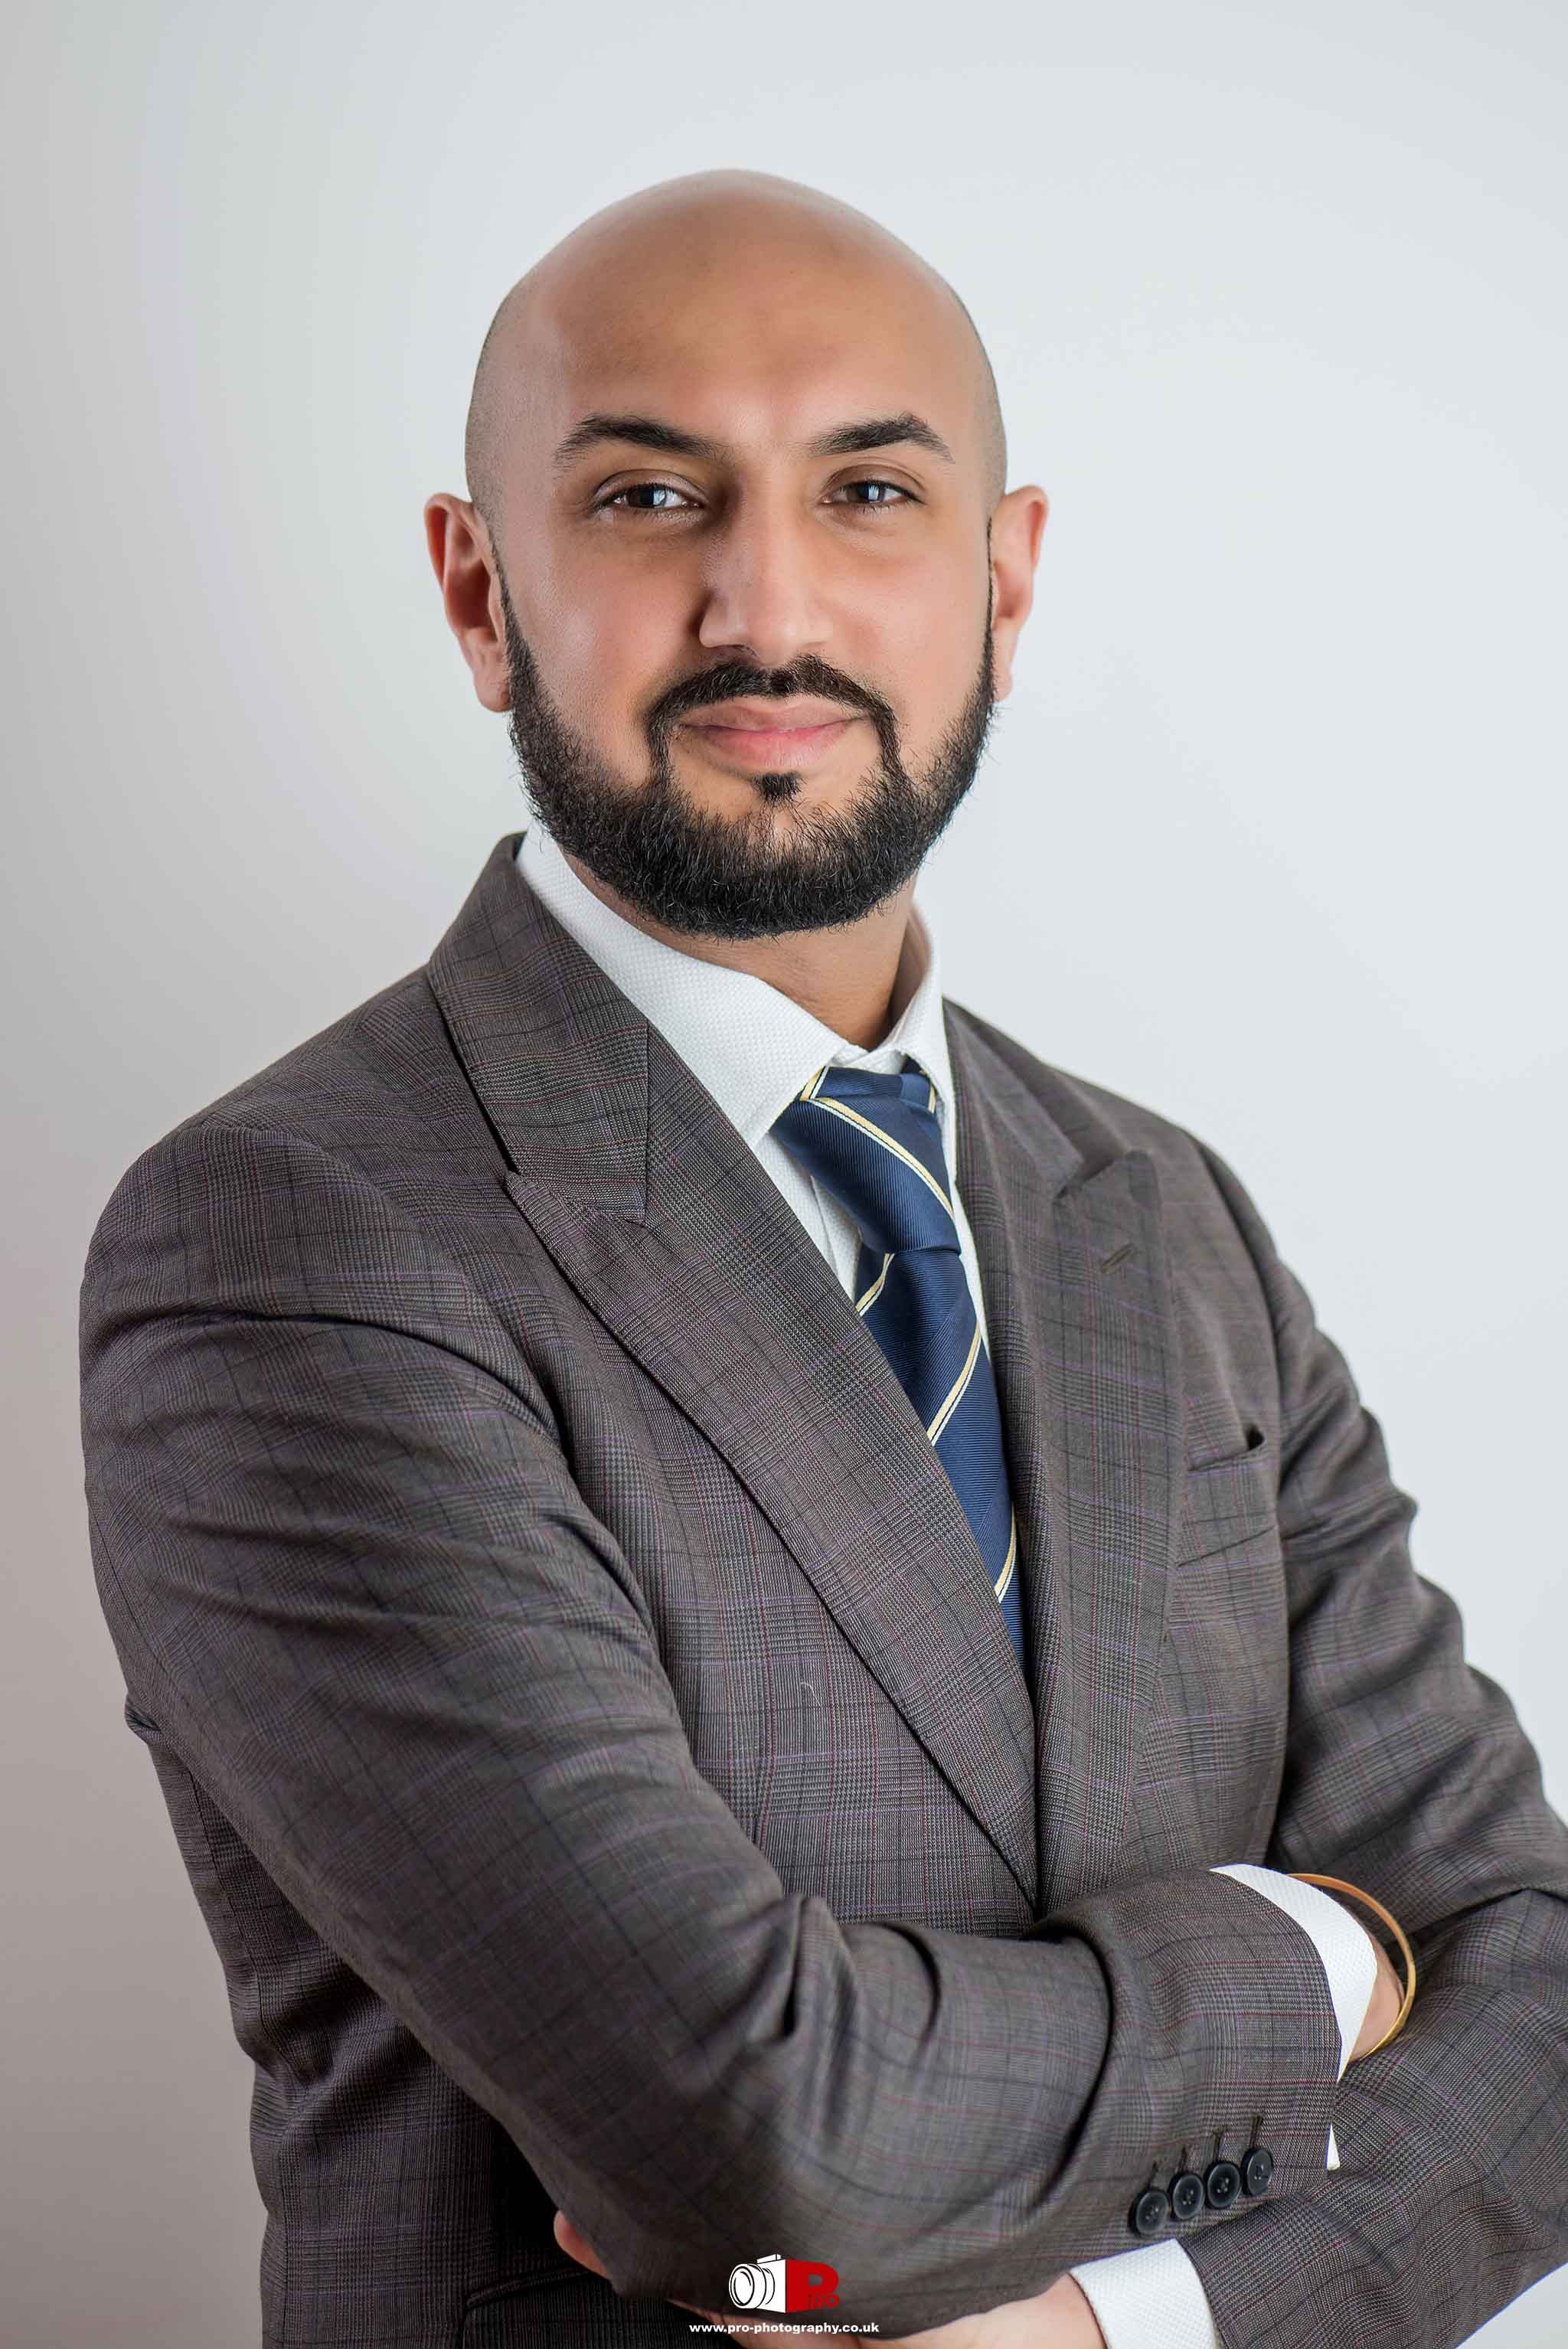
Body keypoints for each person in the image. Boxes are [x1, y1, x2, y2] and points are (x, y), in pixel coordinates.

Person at [77, 168, 1568, 2349]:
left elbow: (1542, 1990)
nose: (765, 602)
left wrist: (1109, 2332)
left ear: (1004, 574)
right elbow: (759, 2144)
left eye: (867, 487)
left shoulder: (1165, 1219)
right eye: (652, 495)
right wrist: (1333, 1957)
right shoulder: (294, 1239)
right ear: (479, 592)